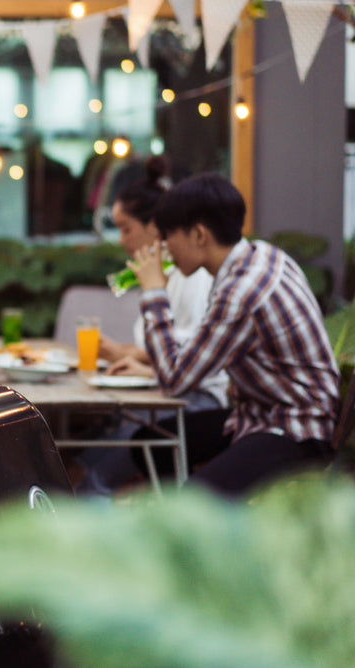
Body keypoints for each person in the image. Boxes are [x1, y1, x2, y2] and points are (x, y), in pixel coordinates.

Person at [127, 173, 339, 496]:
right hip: (257, 415)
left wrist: (155, 291)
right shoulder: (259, 256)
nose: (164, 248)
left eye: (168, 235)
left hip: (296, 429)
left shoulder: (240, 293)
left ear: (199, 235)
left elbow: (173, 379)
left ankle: (194, 525)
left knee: (194, 498)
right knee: (150, 443)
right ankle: (187, 528)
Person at [75, 158, 227, 496]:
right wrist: (133, 357)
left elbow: (190, 356)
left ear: (156, 227)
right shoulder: (171, 274)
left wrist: (144, 365)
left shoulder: (194, 276)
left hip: (196, 401)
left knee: (102, 467)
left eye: (126, 228)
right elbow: (176, 349)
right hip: (172, 392)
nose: (121, 240)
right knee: (89, 453)